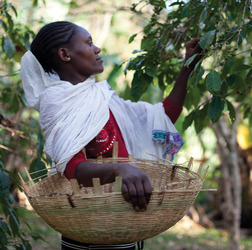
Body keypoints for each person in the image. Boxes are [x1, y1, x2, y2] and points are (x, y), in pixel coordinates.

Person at [20, 21, 202, 250]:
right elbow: (72, 166)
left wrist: (189, 64)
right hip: (89, 232)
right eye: (88, 43)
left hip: (123, 225)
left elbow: (165, 114)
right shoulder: (58, 102)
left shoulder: (101, 97)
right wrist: (120, 169)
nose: (97, 49)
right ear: (65, 54)